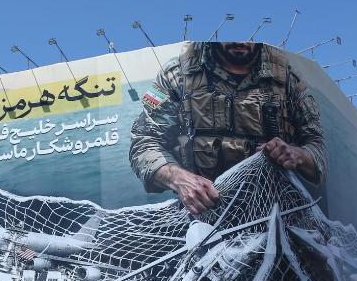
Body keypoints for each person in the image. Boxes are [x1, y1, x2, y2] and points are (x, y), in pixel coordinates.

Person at [129, 41, 327, 215]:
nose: (240, 41)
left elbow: (317, 147)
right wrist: (179, 179)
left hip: (276, 209)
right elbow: (143, 141)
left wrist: (297, 155)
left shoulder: (288, 79)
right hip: (201, 211)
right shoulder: (175, 74)